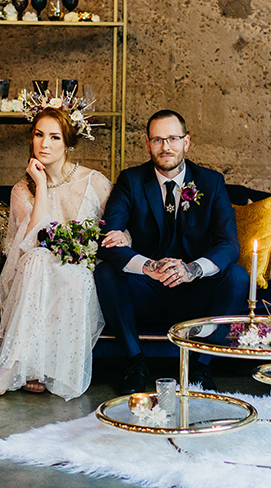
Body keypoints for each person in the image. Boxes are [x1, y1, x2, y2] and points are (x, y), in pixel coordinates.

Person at [0, 102, 113, 400]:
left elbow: (119, 231)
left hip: (78, 272)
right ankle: (15, 365)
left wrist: (89, 252)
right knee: (40, 257)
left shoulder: (95, 182)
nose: (44, 143)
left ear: (69, 143)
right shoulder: (22, 189)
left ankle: (41, 368)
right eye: (39, 134)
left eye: (55, 137)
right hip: (33, 269)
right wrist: (41, 184)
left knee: (75, 277)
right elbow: (30, 241)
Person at [96, 109, 249, 394]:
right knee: (105, 272)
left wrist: (191, 271)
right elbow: (107, 238)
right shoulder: (131, 180)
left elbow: (228, 245)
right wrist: (149, 267)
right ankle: (135, 362)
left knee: (237, 277)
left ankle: (201, 366)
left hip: (195, 290)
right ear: (147, 144)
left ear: (186, 142)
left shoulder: (211, 182)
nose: (165, 147)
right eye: (157, 140)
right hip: (147, 289)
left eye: (172, 139)